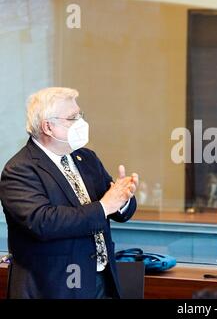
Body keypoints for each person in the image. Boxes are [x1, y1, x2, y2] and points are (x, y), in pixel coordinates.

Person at [0, 87, 138, 298]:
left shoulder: (87, 157)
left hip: (100, 280)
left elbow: (115, 208)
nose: (81, 123)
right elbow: (43, 222)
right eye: (72, 118)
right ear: (48, 127)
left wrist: (123, 198)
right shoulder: (20, 168)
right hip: (53, 287)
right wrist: (105, 206)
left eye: (80, 115)